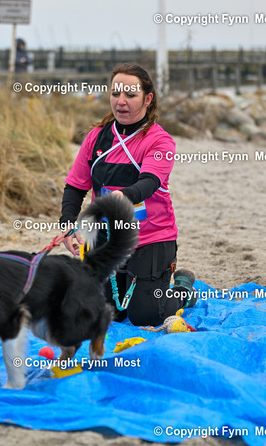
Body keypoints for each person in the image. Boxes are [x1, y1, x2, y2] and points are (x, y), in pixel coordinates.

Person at [59, 62, 196, 326]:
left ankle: (183, 290)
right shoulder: (96, 137)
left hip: (151, 238)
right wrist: (67, 225)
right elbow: (75, 186)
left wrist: (122, 197)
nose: (120, 102)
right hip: (107, 238)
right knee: (107, 311)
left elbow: (149, 182)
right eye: (115, 93)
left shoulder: (160, 140)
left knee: (145, 315)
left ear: (148, 99)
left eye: (130, 95)